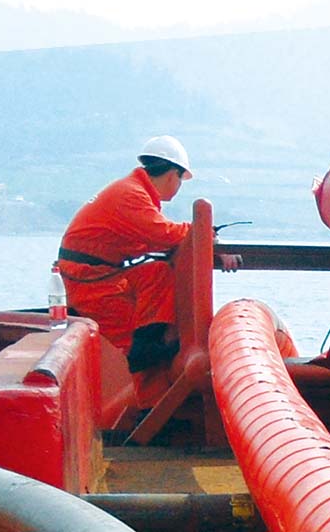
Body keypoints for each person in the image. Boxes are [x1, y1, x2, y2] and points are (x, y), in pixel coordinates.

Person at [56, 135, 241, 376]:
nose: (178, 186)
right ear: (172, 174)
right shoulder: (131, 195)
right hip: (89, 279)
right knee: (121, 336)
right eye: (180, 180)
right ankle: (140, 369)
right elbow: (164, 234)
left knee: (156, 273)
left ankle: (151, 341)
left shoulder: (131, 191)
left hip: (95, 272)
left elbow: (157, 239)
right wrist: (204, 232)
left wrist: (208, 239)